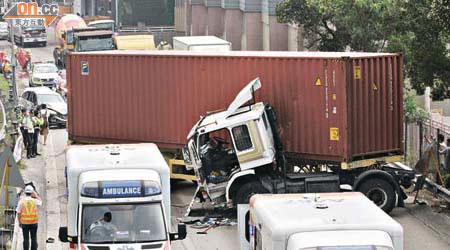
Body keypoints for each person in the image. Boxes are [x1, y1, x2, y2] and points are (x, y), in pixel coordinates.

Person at [16, 185, 42, 250]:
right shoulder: (35, 201)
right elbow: (41, 202)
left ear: (25, 193)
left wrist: (19, 222)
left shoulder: (21, 201)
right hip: (34, 223)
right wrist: (36, 195)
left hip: (24, 223)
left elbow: (18, 213)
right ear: (32, 192)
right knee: (33, 238)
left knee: (26, 239)